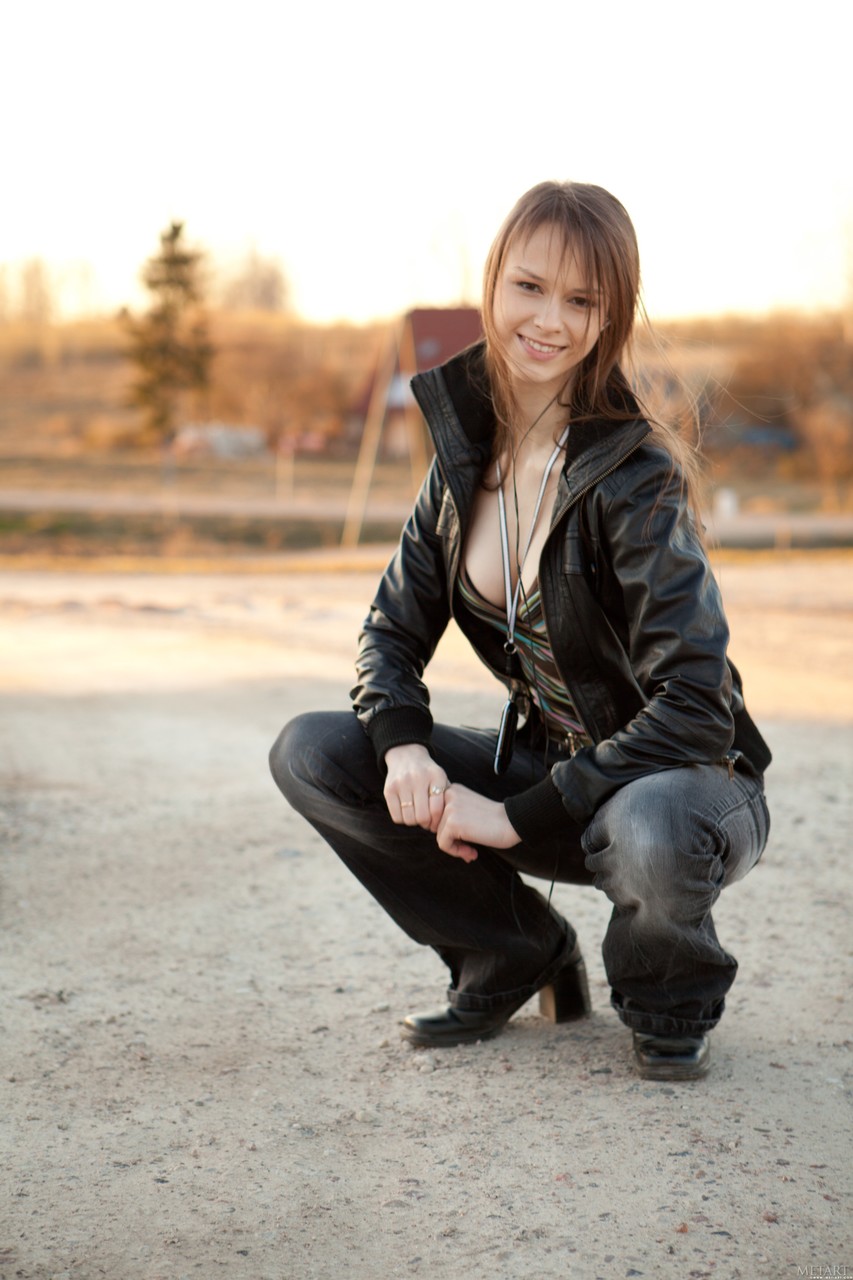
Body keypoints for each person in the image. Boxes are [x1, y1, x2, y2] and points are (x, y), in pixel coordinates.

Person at [269, 181, 771, 1081]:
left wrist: (511, 816)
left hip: (685, 788)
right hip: (553, 778)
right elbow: (388, 634)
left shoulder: (635, 476)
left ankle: (667, 1000)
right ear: (493, 281)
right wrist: (402, 748)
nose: (548, 320)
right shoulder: (464, 454)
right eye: (529, 287)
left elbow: (696, 708)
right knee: (315, 751)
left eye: (581, 300)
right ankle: (512, 953)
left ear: (611, 317)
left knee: (650, 821)